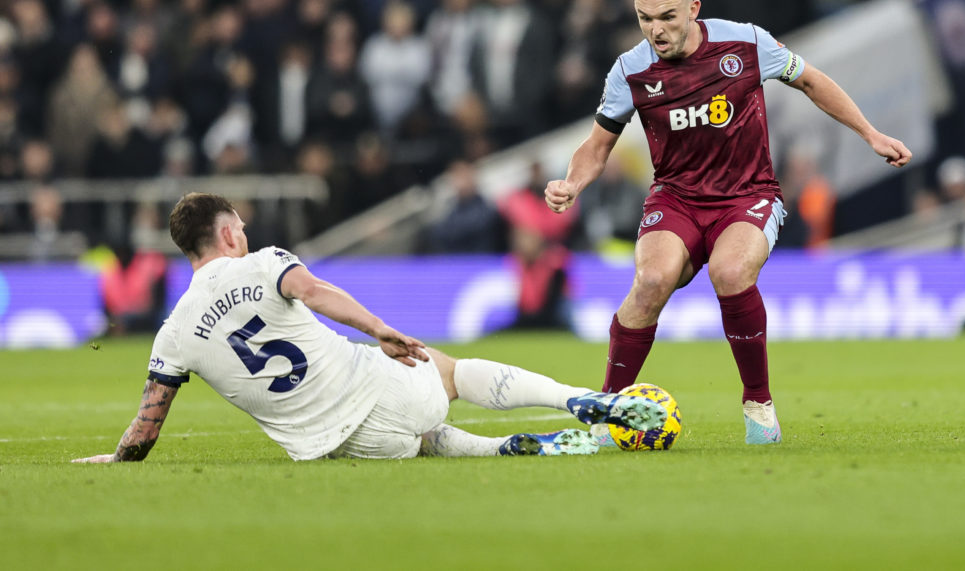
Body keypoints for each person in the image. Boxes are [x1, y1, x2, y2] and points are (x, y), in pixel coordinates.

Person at [544, 0, 912, 445]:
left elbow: (811, 81)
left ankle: (758, 403)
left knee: (731, 272)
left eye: (668, 17)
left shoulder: (745, 44)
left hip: (748, 194)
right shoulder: (630, 70)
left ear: (694, 10)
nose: (656, 29)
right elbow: (598, 146)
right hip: (676, 198)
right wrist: (573, 183)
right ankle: (606, 410)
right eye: (644, 18)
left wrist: (871, 133)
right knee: (650, 281)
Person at [73, 193, 665, 464]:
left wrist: (117, 458)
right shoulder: (261, 262)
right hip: (375, 385)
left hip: (336, 449)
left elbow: (148, 424)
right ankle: (584, 401)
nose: (245, 235)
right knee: (448, 373)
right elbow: (316, 291)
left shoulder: (172, 333)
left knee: (426, 440)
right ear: (227, 234)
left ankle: (517, 449)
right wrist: (379, 327)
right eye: (241, 227)